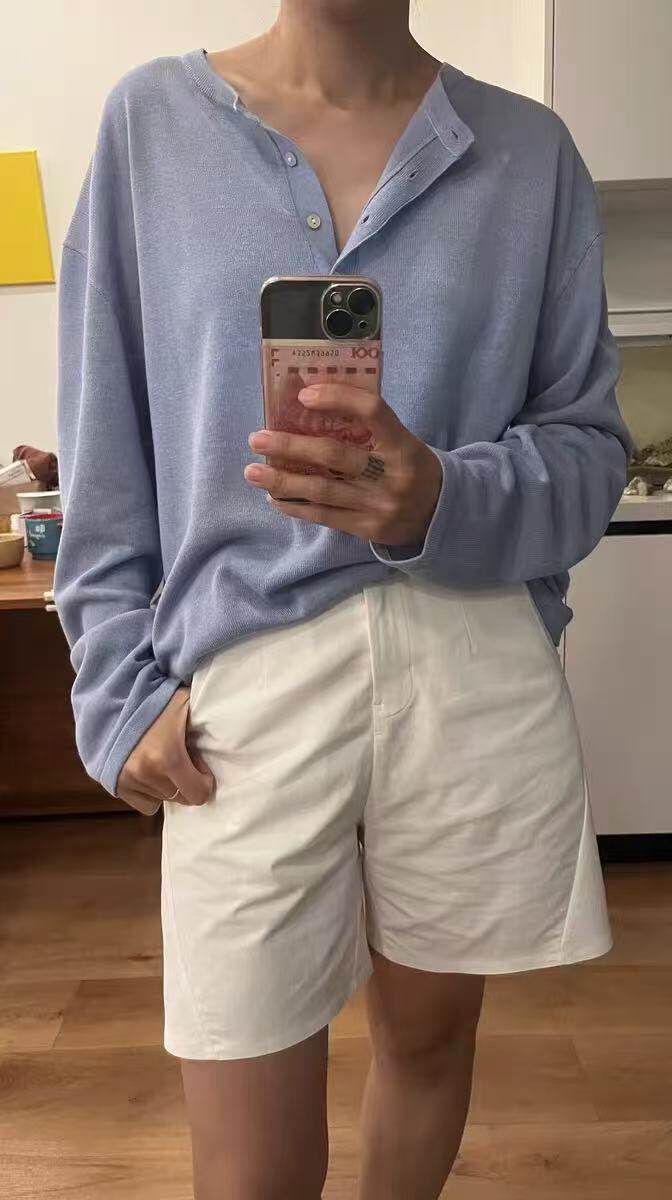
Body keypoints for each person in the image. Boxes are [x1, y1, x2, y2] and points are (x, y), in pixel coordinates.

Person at [54, 2, 633, 1197]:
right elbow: (107, 445)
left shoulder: (530, 154)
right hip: (241, 685)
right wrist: (116, 688)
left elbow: (588, 454)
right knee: (247, 1130)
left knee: (429, 1045)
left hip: (472, 662)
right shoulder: (150, 127)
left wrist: (441, 496)